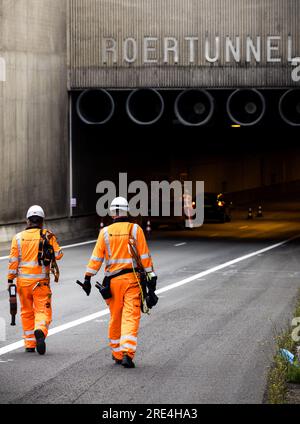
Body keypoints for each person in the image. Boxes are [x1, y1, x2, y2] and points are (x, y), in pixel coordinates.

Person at [82, 197, 157, 368]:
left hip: (113, 282)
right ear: (127, 211)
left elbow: (96, 258)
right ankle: (127, 354)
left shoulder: (105, 232)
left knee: (116, 317)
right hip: (132, 280)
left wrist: (87, 277)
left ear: (111, 213)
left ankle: (116, 353)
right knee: (130, 316)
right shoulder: (135, 229)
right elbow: (145, 257)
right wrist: (151, 277)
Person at [7, 205, 63, 355]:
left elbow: (13, 261)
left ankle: (29, 343)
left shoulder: (17, 238)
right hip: (41, 284)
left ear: (28, 221)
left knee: (26, 312)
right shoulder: (48, 235)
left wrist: (10, 280)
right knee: (42, 310)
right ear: (42, 221)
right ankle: (40, 330)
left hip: (23, 284)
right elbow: (59, 255)